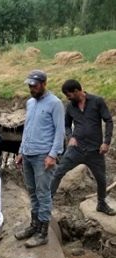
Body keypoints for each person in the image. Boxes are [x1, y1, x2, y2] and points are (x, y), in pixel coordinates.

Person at [15, 70, 65, 248]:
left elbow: (60, 132)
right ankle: (34, 225)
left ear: (44, 84)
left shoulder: (55, 103)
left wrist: (53, 155)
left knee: (43, 193)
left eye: (34, 86)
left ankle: (43, 233)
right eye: (29, 86)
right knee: (32, 192)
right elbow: (27, 129)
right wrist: (21, 151)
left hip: (43, 156)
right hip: (28, 154)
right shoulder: (30, 103)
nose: (31, 89)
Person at [51, 80, 114, 214]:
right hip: (75, 150)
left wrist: (106, 142)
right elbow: (66, 125)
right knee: (58, 172)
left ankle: (101, 204)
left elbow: (108, 120)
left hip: (95, 151)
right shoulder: (70, 106)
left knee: (101, 179)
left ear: (77, 91)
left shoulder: (97, 101)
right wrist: (70, 136)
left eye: (69, 95)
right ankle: (47, 202)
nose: (67, 98)